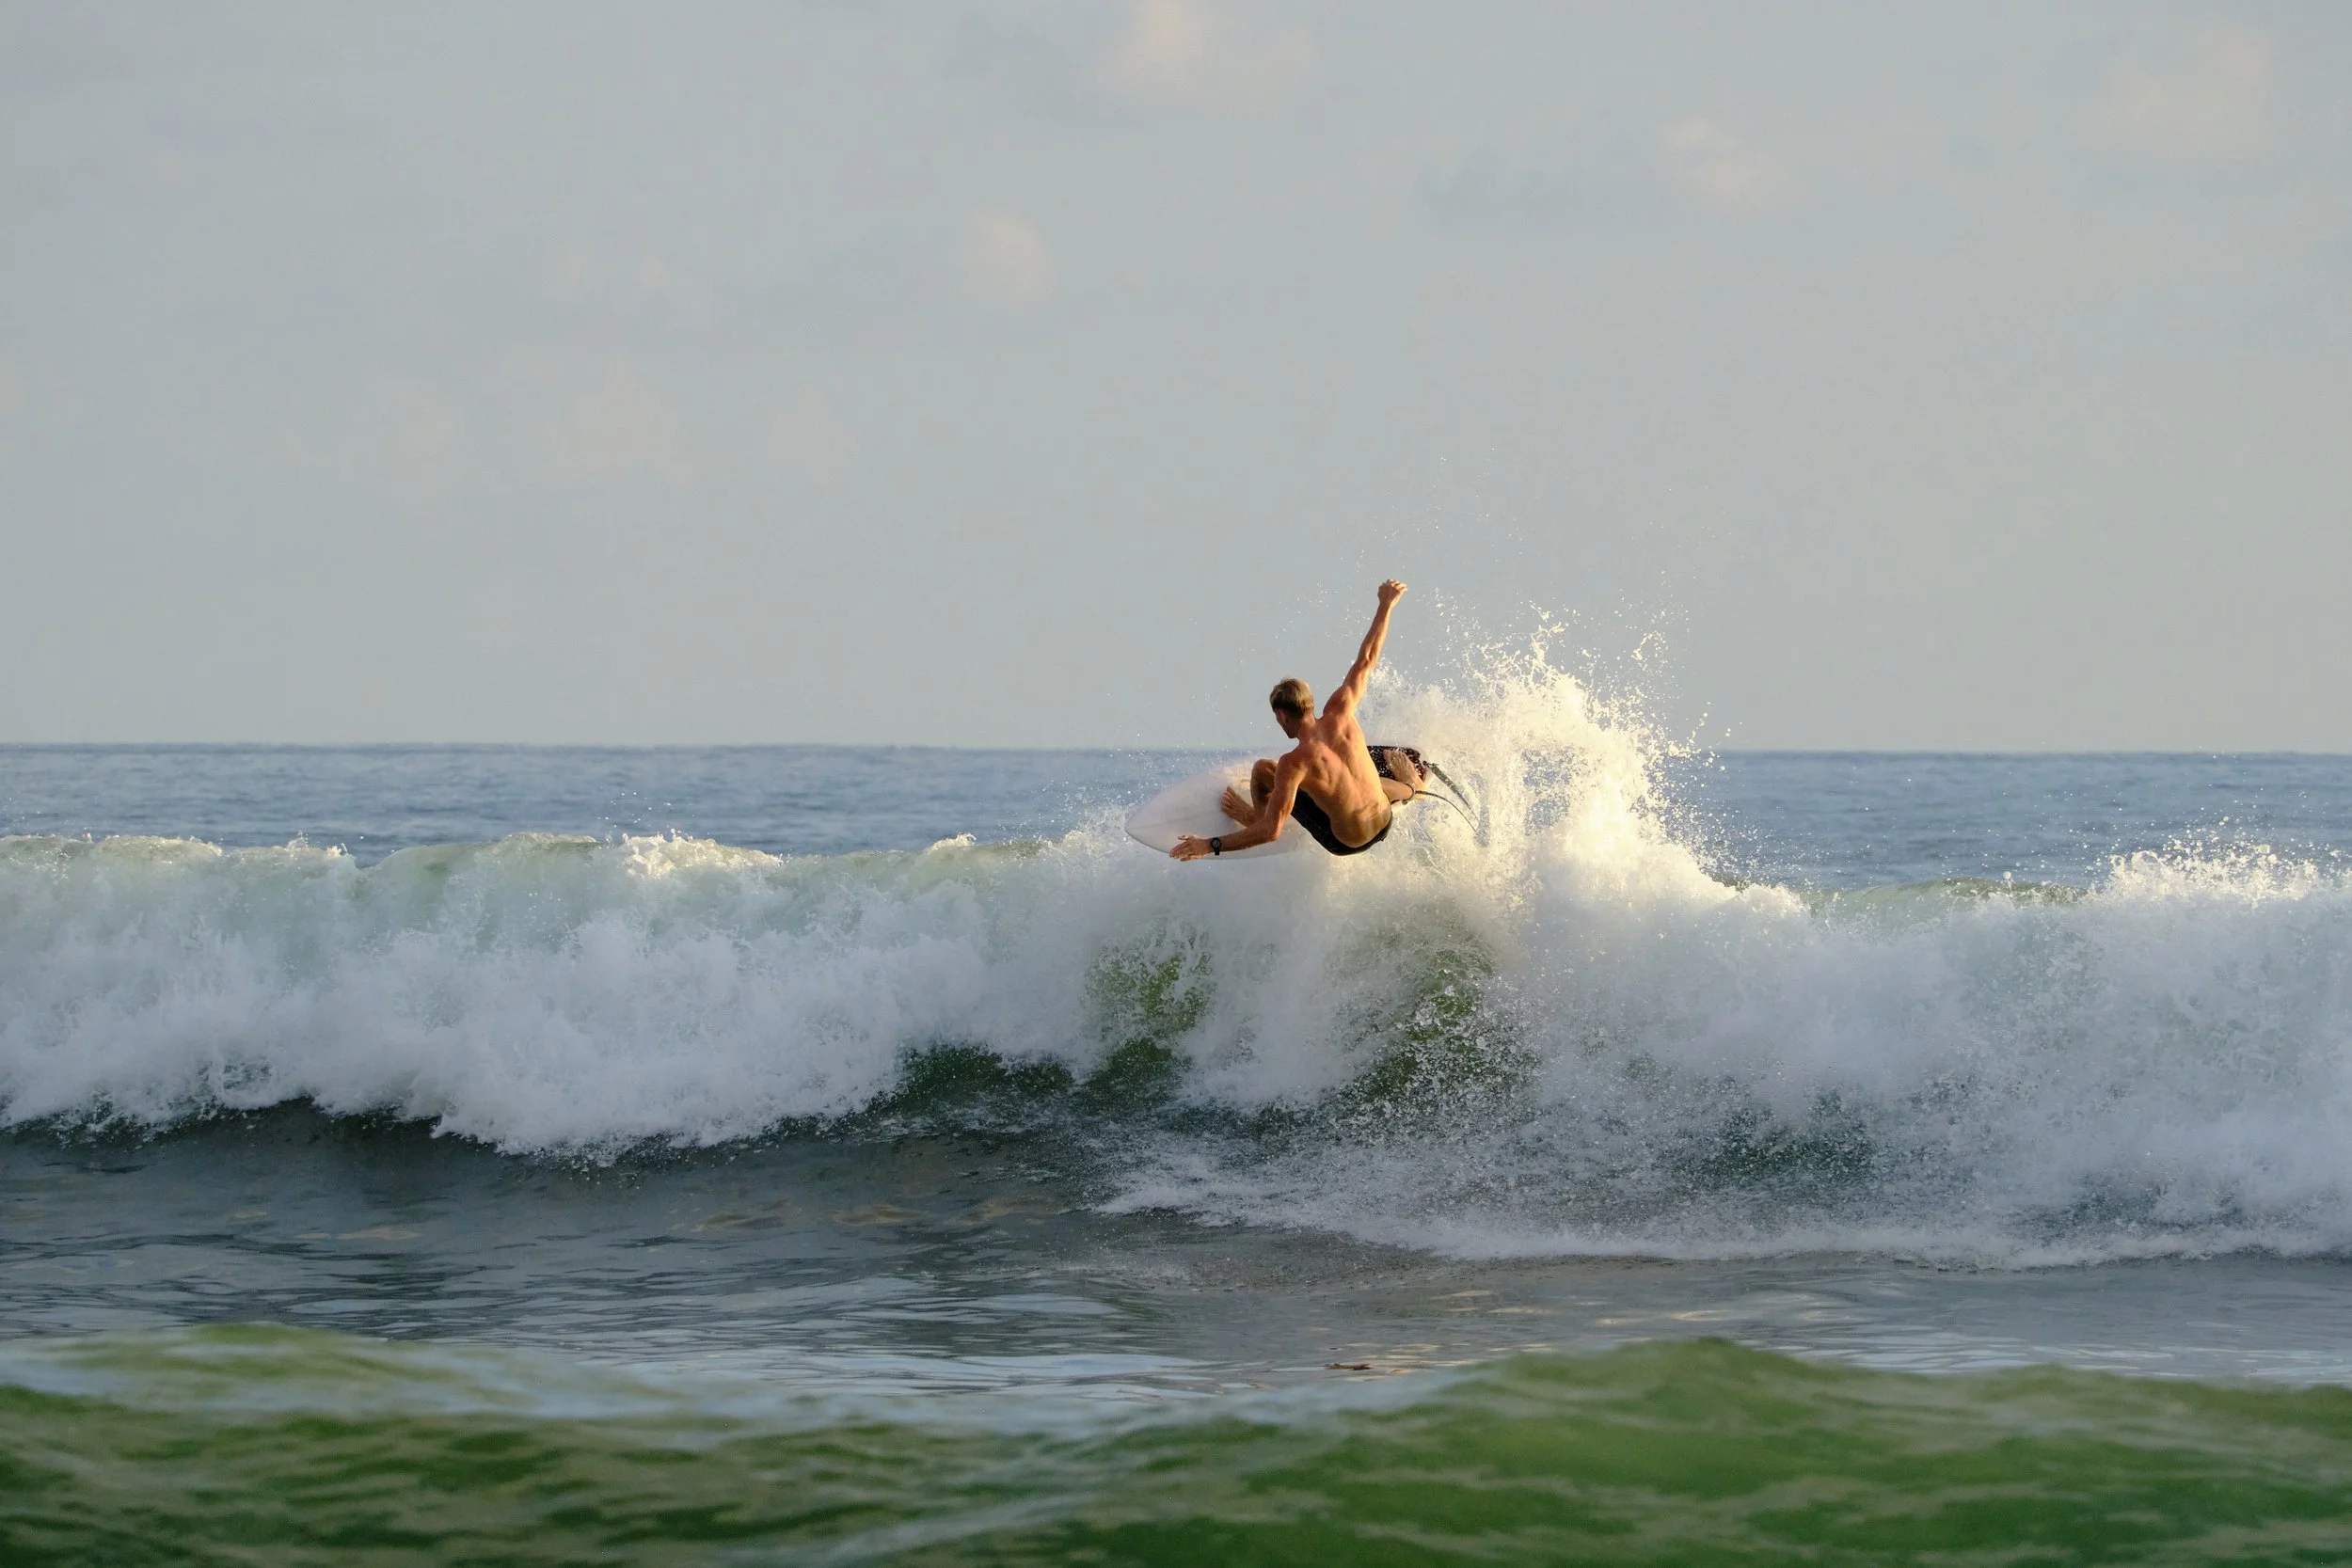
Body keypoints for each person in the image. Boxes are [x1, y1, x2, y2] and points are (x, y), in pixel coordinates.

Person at [1171, 578, 1427, 861]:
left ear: (1281, 715)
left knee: (1262, 771)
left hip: (1347, 842)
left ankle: (1252, 816)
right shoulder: (1341, 710)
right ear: (1309, 704)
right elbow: (1367, 660)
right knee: (1359, 776)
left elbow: (1271, 833)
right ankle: (1413, 789)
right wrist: (1385, 605)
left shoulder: (1293, 763)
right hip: (1384, 820)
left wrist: (1209, 845)